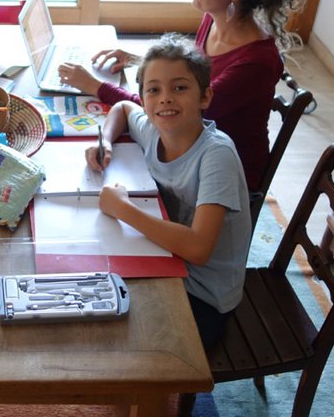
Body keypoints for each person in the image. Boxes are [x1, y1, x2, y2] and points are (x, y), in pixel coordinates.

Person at [62, 0, 316, 192]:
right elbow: (191, 77)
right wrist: (140, 61)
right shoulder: (214, 20)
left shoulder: (256, 63)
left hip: (221, 180)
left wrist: (95, 86)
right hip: (187, 146)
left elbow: (168, 108)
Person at [87, 34, 251, 349]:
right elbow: (122, 108)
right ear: (144, 98)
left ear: (205, 97)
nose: (165, 99)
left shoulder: (217, 155)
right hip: (165, 258)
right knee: (92, 285)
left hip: (205, 295)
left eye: (179, 88)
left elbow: (199, 249)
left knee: (115, 338)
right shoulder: (155, 130)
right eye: (154, 90)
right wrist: (105, 140)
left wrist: (123, 208)